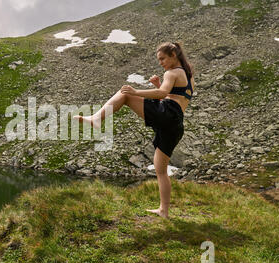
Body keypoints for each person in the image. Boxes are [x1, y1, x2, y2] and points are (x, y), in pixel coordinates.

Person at [73, 42, 196, 219]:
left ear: (173, 55)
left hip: (167, 114)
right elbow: (176, 95)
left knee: (125, 94)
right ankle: (164, 211)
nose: (160, 62)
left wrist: (136, 91)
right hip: (175, 124)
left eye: (162, 58)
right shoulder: (188, 75)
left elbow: (163, 95)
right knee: (160, 169)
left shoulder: (172, 72)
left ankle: (96, 118)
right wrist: (158, 84)